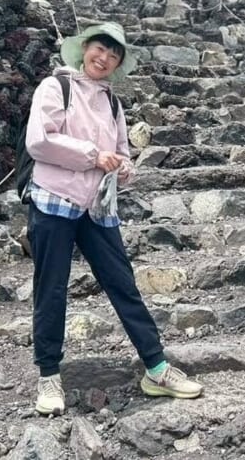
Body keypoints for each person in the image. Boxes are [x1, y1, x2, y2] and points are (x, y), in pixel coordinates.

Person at [23, 21, 203, 416]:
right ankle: (49, 376)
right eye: (99, 49)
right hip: (54, 200)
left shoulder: (113, 103)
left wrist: (123, 167)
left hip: (97, 208)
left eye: (113, 55)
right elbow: (39, 141)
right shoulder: (56, 87)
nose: (104, 58)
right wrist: (91, 155)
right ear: (84, 48)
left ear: (118, 63)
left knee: (123, 284)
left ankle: (156, 367)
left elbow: (121, 152)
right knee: (51, 288)